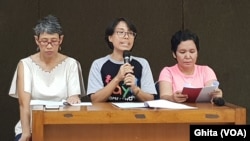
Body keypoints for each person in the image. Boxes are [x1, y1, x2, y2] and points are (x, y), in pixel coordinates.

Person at [9, 15, 84, 141]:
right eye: (44, 41)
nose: (49, 46)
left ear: (61, 40)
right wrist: (26, 133)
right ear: (37, 40)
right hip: (32, 126)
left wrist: (74, 98)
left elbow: (74, 97)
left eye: (53, 41)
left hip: (62, 127)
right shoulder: (25, 64)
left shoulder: (71, 64)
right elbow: (23, 104)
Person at [87, 17, 157, 102]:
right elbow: (95, 100)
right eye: (121, 32)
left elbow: (151, 99)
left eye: (130, 33)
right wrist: (117, 78)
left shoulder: (142, 63)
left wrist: (135, 88)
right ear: (110, 38)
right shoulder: (98, 64)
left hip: (135, 114)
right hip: (107, 114)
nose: (126, 36)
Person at [158, 29, 223, 103]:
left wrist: (216, 95)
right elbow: (164, 97)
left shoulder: (206, 71)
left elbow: (212, 93)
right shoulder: (167, 72)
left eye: (192, 52)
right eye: (182, 52)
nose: (188, 56)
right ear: (174, 54)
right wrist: (172, 98)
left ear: (197, 52)